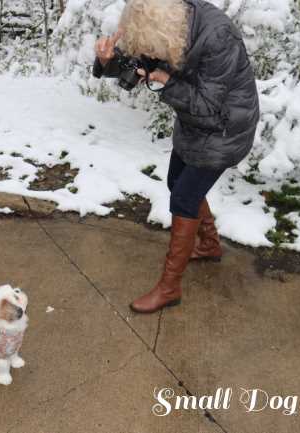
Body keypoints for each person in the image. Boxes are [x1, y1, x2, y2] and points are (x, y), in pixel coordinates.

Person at [93, 0, 259, 313]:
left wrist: (167, 82)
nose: (152, 57)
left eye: (155, 50)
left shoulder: (218, 36)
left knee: (184, 197)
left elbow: (209, 106)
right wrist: (107, 60)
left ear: (167, 34)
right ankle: (209, 244)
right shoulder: (162, 21)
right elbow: (137, 62)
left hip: (226, 126)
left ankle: (169, 288)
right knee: (175, 182)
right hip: (193, 124)